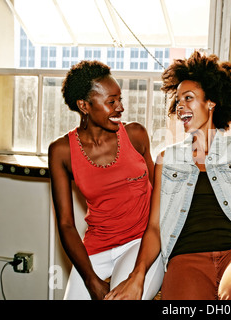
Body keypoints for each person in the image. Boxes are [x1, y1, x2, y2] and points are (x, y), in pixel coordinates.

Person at [104, 51, 231, 300]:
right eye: (177, 101)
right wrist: (138, 276)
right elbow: (154, 227)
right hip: (186, 257)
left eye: (189, 98)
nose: (180, 106)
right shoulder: (167, 160)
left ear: (211, 102)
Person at [48, 60, 164, 300]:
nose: (120, 108)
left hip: (140, 242)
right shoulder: (61, 151)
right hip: (96, 247)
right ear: (84, 105)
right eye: (111, 101)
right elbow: (67, 224)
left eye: (120, 99)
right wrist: (91, 281)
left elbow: (160, 199)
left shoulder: (136, 135)